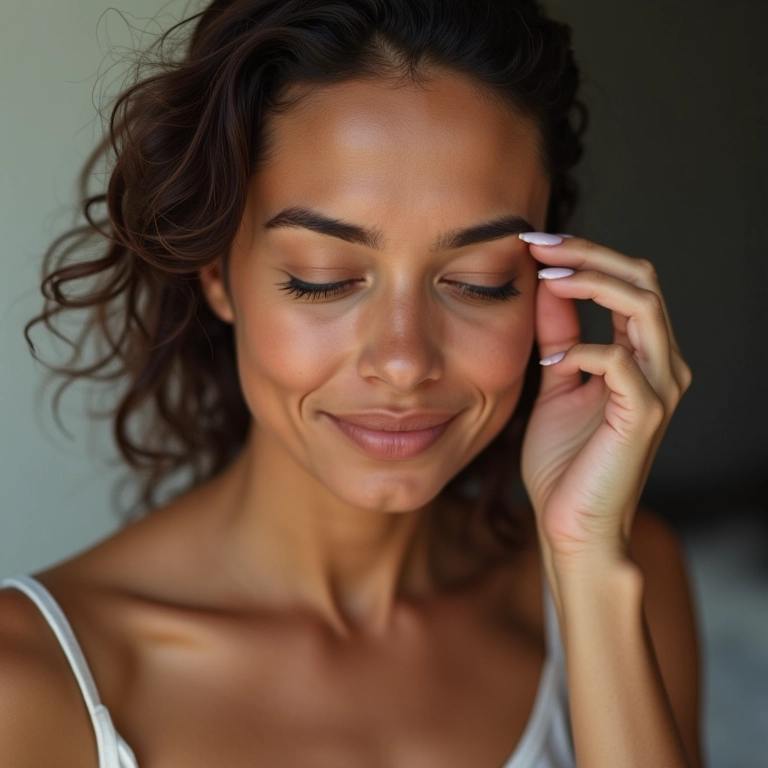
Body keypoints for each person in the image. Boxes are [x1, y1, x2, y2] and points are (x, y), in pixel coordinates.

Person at [0, 0, 704, 766]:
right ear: (218, 275)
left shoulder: (621, 577)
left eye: (480, 281)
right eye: (322, 278)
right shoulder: (28, 683)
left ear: (546, 283)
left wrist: (588, 569)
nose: (403, 360)